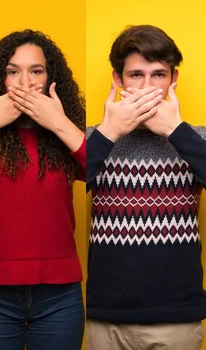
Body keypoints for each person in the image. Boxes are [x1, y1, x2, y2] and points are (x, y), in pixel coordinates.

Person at [85, 24, 206, 350]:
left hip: (176, 319)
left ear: (173, 79)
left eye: (158, 75)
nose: (148, 87)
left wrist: (176, 130)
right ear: (118, 79)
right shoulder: (95, 137)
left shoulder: (196, 137)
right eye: (136, 75)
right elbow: (59, 187)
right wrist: (110, 132)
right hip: (105, 317)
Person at [0, 29, 86, 350]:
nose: (25, 82)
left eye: (36, 71)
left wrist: (58, 122)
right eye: (13, 72)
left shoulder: (66, 134)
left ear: (51, 78)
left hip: (59, 295)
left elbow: (103, 173)